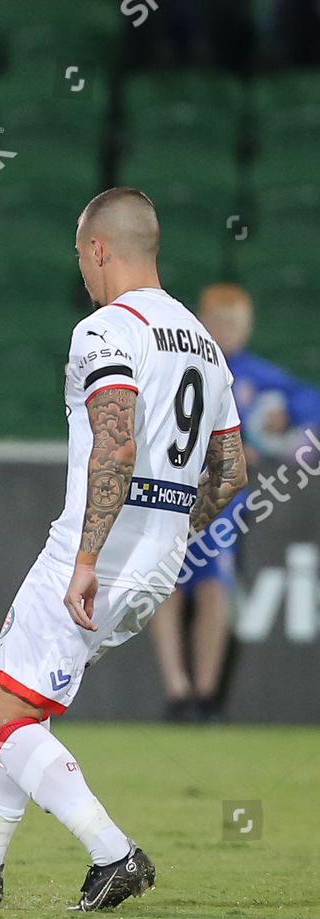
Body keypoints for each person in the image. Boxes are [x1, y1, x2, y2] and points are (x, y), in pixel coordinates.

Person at [0, 188, 248, 910]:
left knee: (0, 718)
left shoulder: (107, 329)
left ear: (99, 249)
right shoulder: (205, 344)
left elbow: (115, 446)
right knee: (20, 701)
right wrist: (172, 536)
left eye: (79, 255)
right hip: (157, 560)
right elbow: (231, 473)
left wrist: (88, 558)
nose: (81, 271)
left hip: (96, 548)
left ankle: (113, 852)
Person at [150, 283, 320, 722]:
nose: (227, 332)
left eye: (236, 325)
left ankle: (205, 694)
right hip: (173, 488)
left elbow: (309, 404)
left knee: (213, 586)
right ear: (202, 322)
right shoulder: (181, 364)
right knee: (164, 586)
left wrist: (285, 423)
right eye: (220, 323)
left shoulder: (256, 375)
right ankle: (177, 689)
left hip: (222, 499)